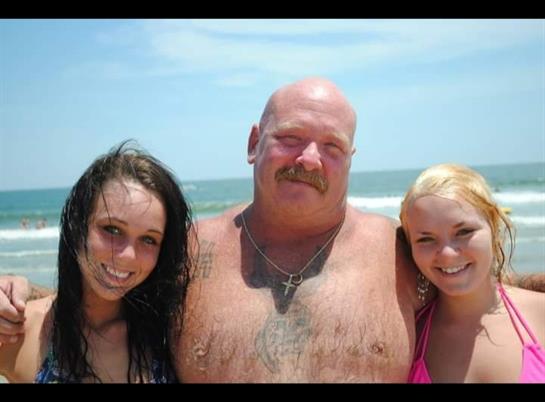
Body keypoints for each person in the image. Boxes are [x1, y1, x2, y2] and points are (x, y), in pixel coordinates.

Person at [1, 78, 544, 382]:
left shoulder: (398, 250)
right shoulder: (189, 250)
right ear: (253, 142)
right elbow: (111, 287)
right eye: (290, 138)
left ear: (350, 160)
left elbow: (473, 285)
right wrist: (17, 292)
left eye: (331, 146)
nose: (309, 158)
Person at [0, 141, 193, 383]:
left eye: (149, 239)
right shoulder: (18, 331)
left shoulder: (171, 335)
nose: (128, 255)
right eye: (112, 229)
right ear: (78, 225)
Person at [400, 164, 545, 383]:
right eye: (426, 239)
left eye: (464, 231)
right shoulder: (408, 337)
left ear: (494, 227)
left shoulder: (540, 314)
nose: (447, 254)